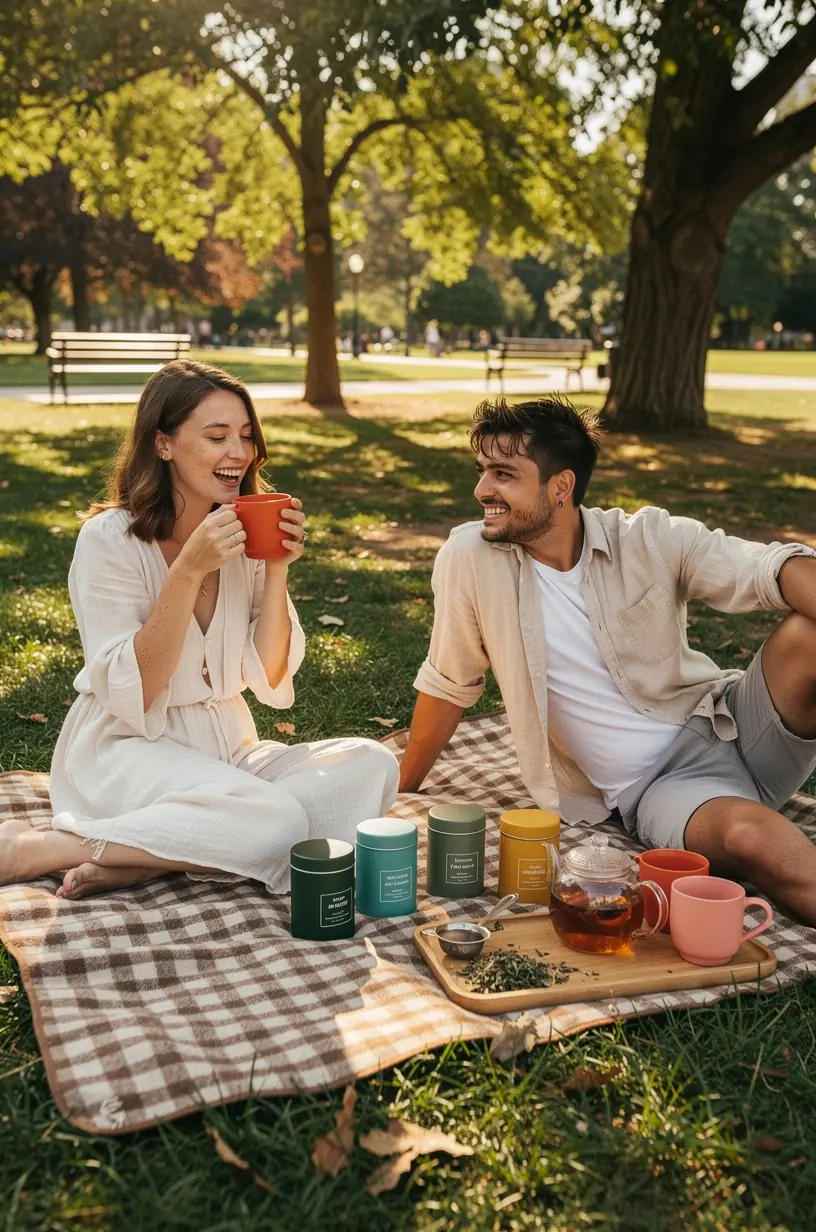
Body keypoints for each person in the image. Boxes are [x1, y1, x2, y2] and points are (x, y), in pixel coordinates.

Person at [399, 395, 816, 924]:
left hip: (735, 719)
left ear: (561, 487)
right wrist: (401, 789)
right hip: (667, 788)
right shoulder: (471, 558)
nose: (482, 490)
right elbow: (449, 682)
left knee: (808, 630)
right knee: (752, 839)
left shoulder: (647, 538)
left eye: (504, 474)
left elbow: (770, 569)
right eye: (482, 471)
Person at [2, 360, 398, 900]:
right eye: (216, 436)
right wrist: (188, 569)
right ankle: (44, 848)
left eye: (245, 436)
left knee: (370, 765)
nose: (238, 452)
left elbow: (272, 675)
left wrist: (277, 566)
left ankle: (147, 860)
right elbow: (138, 687)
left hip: (228, 749)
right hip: (128, 747)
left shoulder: (243, 535)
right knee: (279, 822)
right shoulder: (109, 540)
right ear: (163, 444)